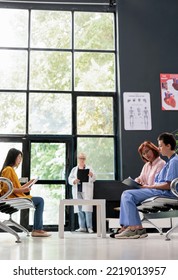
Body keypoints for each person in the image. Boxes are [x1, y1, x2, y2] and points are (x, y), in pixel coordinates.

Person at [113, 132, 178, 239]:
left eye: (161, 145)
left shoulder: (174, 161)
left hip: (165, 193)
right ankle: (134, 227)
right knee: (127, 195)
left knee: (128, 195)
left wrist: (149, 187)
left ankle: (134, 228)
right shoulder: (170, 161)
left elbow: (169, 185)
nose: (159, 148)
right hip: (160, 191)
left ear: (168, 146)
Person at [0, 148, 51, 237]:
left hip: (13, 197)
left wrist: (29, 183)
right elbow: (6, 189)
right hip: (10, 199)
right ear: (13, 157)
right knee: (40, 201)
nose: (20, 160)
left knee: (39, 201)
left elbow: (16, 188)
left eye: (21, 158)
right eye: (19, 157)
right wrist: (23, 190)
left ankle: (37, 229)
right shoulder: (8, 170)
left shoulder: (10, 169)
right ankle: (37, 229)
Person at [68, 152, 96, 233]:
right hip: (77, 190)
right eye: (80, 158)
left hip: (86, 190)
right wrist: (74, 181)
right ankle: (82, 227)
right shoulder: (74, 169)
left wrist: (91, 175)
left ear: (85, 159)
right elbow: (70, 179)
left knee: (87, 209)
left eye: (83, 158)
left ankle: (89, 227)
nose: (82, 160)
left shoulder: (89, 168)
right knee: (79, 209)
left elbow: (94, 178)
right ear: (78, 159)